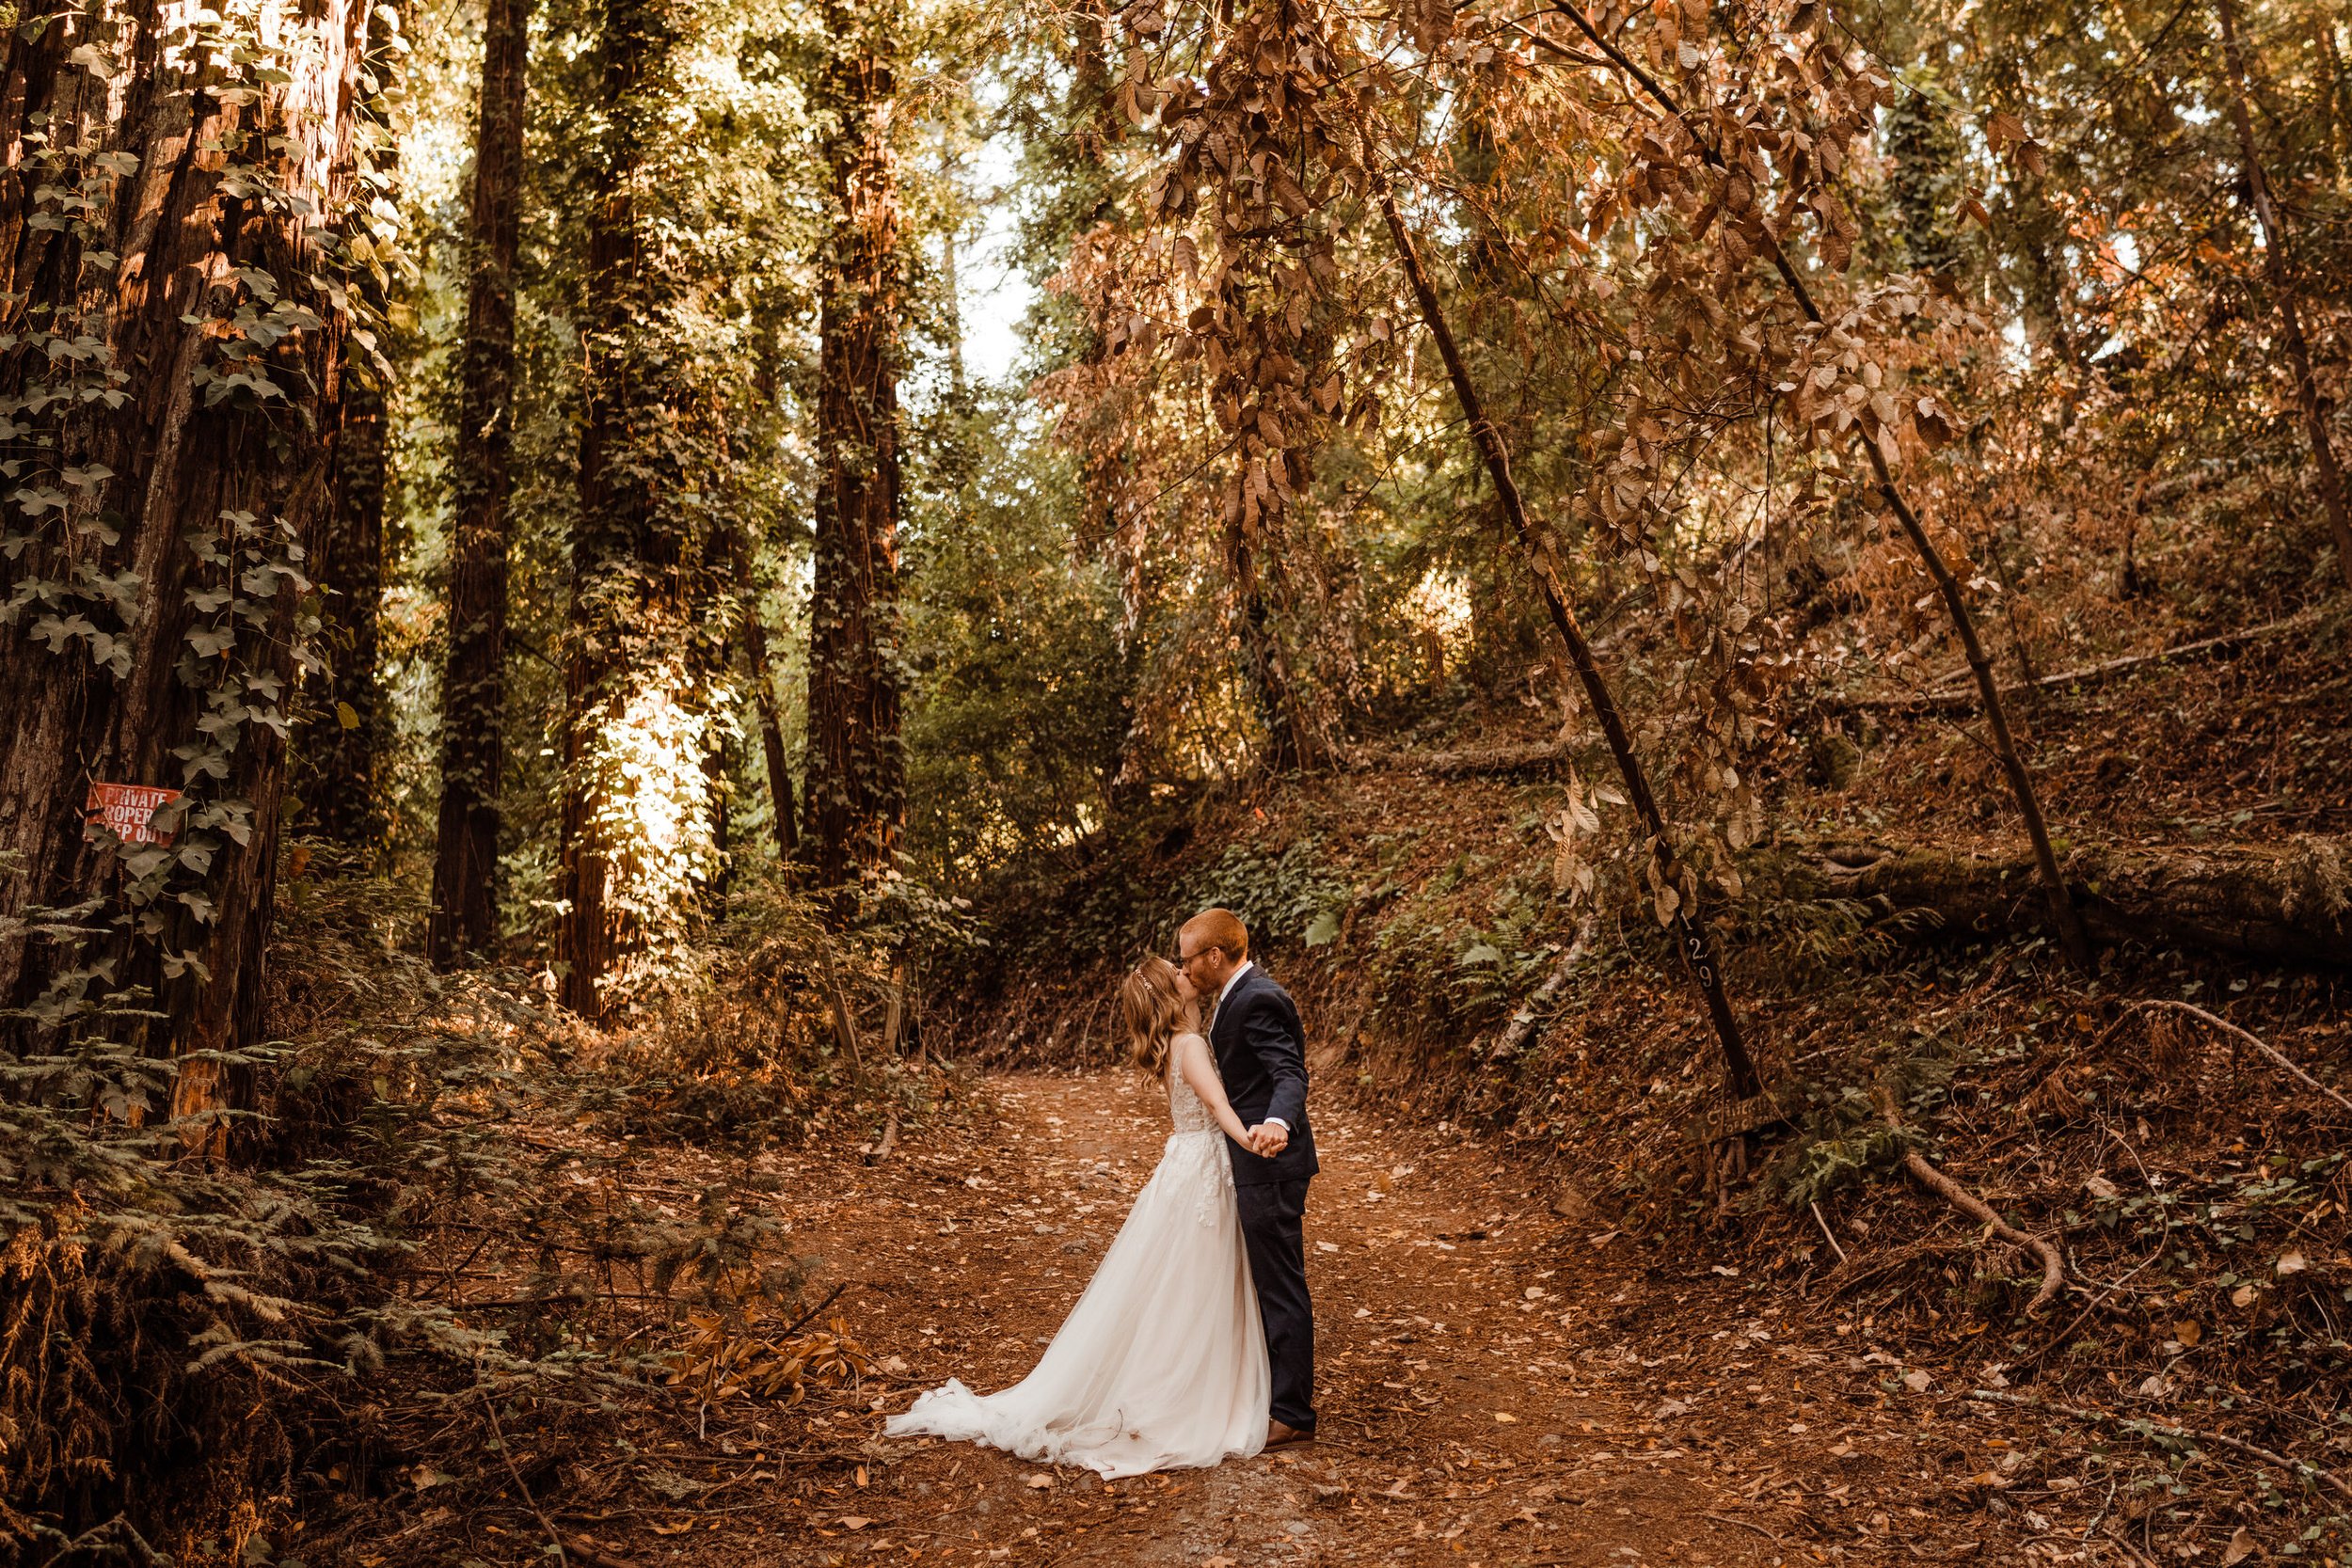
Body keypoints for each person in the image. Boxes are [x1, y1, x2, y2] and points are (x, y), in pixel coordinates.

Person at [883, 953, 1269, 1477]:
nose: (1186, 973)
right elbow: (1221, 1109)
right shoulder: (1193, 1046)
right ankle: (1176, 1393)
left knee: (1175, 1279)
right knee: (1194, 1279)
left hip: (1185, 1163)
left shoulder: (1176, 1047)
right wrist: (1253, 1138)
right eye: (1176, 972)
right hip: (1202, 1169)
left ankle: (1169, 1383)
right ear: (1170, 994)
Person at [1176, 907, 1318, 1448]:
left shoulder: (1256, 997)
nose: (1183, 968)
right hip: (1253, 1160)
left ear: (1215, 956)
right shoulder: (1235, 996)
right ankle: (1273, 1396)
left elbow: (1289, 1072)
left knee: (1280, 1284)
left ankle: (1292, 1414)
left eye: (1188, 958)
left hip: (1270, 1162)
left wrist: (1278, 1121)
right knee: (1267, 1281)